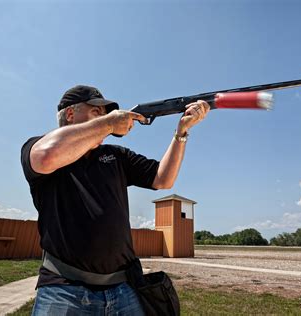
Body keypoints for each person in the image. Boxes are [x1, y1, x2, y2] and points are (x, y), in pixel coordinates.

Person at [21, 85, 210, 315]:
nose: (104, 116)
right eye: (96, 111)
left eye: (106, 113)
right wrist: (109, 124)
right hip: (64, 290)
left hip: (123, 289)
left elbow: (163, 179)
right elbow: (45, 157)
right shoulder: (38, 146)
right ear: (70, 114)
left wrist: (181, 132)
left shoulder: (116, 156)